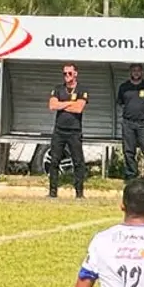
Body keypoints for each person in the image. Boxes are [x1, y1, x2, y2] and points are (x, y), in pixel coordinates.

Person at [47, 63, 88, 199]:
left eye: (69, 73)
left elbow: (79, 108)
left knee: (78, 162)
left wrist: (62, 105)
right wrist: (70, 103)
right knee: (54, 161)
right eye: (64, 73)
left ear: (75, 74)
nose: (67, 76)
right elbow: (52, 105)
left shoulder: (82, 89)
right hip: (59, 130)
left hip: (74, 131)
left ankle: (79, 193)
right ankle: (52, 192)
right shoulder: (58, 89)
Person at [117, 64, 144, 180]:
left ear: (142, 72)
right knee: (128, 151)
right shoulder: (124, 87)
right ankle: (131, 175)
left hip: (143, 124)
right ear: (130, 72)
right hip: (128, 123)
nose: (136, 73)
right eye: (134, 70)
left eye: (138, 71)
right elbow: (121, 102)